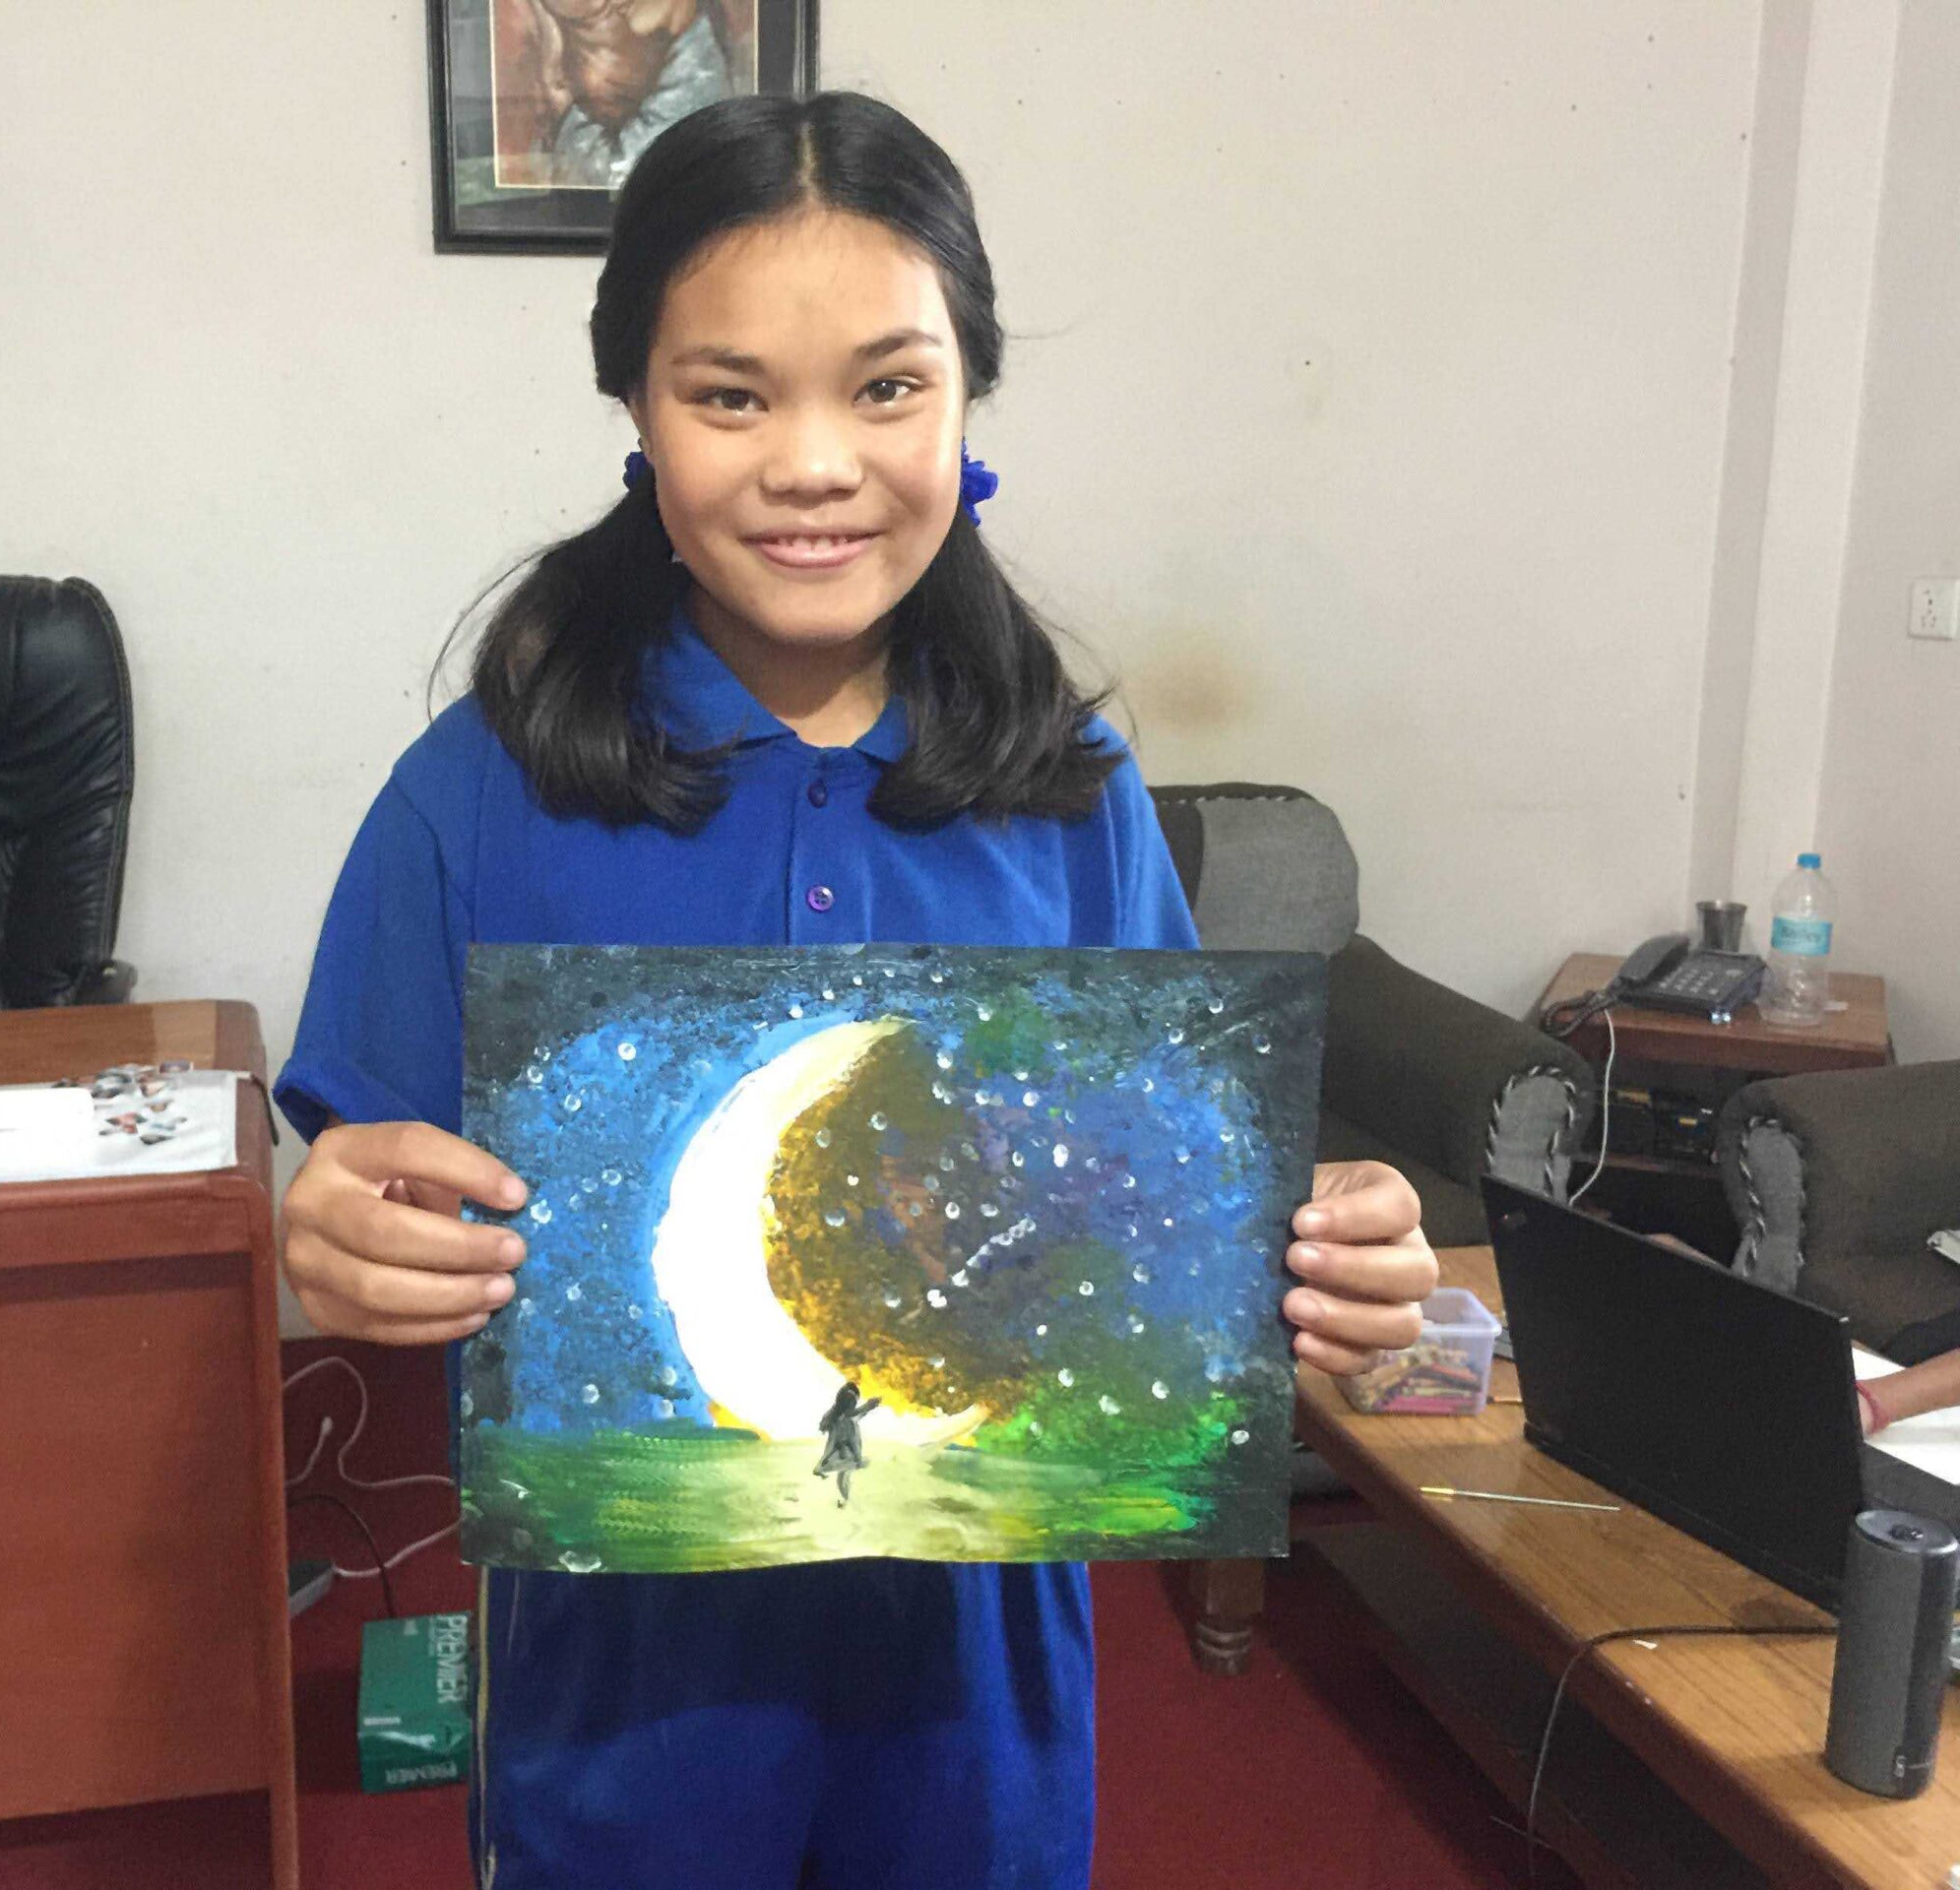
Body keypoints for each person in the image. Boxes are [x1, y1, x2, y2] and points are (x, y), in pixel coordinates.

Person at [276, 90, 1437, 1890]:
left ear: (969, 400)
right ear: (636, 409)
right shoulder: (483, 790)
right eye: (731, 395)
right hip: (621, 1723)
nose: (815, 464)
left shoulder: (1071, 797)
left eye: (888, 387)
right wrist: (336, 1232)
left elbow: (1168, 1220)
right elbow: (368, 1187)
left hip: (972, 1720)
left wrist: (1320, 1263)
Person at [528, 0, 732, 189]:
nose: (614, 2)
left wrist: (564, 107)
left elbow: (620, 177)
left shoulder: (699, 77)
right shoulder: (680, 59)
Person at [813, 1381, 882, 1505]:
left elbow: (857, 1413)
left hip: (843, 1456)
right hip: (844, 1456)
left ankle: (845, 1500)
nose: (854, 1405)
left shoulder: (838, 1417)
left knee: (844, 1476)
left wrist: (869, 1406)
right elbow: (855, 1414)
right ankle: (845, 1500)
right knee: (844, 1475)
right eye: (853, 1402)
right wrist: (868, 1405)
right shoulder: (842, 1420)